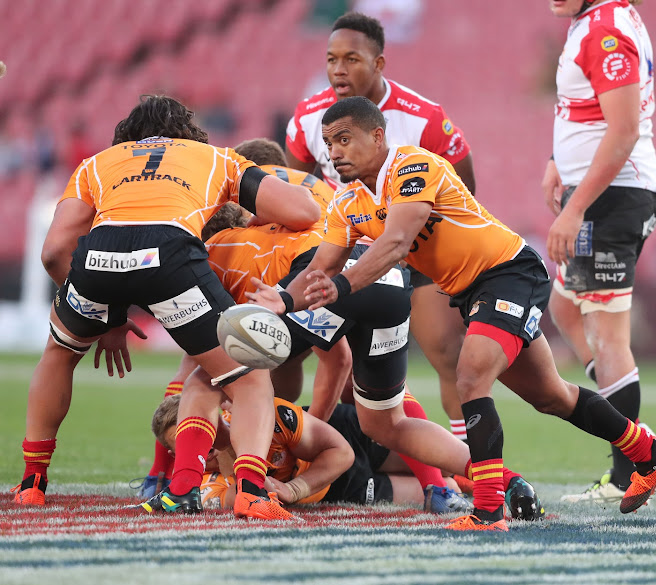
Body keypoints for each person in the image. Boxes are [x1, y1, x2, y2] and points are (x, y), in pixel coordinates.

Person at [246, 96, 656, 532]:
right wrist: (283, 300)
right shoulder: (347, 203)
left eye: (344, 139)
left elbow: (396, 243)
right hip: (471, 291)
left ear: (378, 137)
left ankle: (489, 511)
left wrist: (340, 286)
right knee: (551, 395)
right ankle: (653, 453)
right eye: (328, 143)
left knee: (471, 376)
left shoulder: (414, 166)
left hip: (508, 271)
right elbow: (320, 268)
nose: (334, 152)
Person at [12, 95, 321, 525]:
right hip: (171, 255)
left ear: (128, 135)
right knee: (248, 375)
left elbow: (53, 253)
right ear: (188, 132)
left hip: (97, 256)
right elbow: (304, 211)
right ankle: (251, 494)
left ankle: (31, 484)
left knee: (59, 354)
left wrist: (104, 313)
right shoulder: (215, 157)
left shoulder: (100, 163)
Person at [286, 12, 471, 442]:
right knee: (283, 350)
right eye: (331, 59)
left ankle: (469, 458)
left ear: (379, 64)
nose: (338, 69)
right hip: (343, 246)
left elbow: (464, 185)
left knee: (448, 353)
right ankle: (298, 446)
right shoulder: (309, 116)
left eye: (351, 59)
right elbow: (295, 188)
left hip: (420, 248)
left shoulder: (423, 117)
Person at [541, 0, 656, 502]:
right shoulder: (591, 23)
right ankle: (641, 442)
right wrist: (556, 160)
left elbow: (624, 128)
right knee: (564, 308)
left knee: (605, 334)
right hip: (600, 196)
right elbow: (586, 107)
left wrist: (575, 211)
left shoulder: (606, 30)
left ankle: (629, 472)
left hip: (611, 199)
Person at [148, 393, 473, 512]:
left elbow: (340, 452)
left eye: (198, 435)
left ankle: (494, 476)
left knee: (435, 459)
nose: (199, 450)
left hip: (341, 438)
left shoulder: (263, 416)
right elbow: (236, 500)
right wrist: (229, 460)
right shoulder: (197, 483)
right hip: (340, 488)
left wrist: (293, 488)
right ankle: (470, 486)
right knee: (448, 490)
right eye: (185, 446)